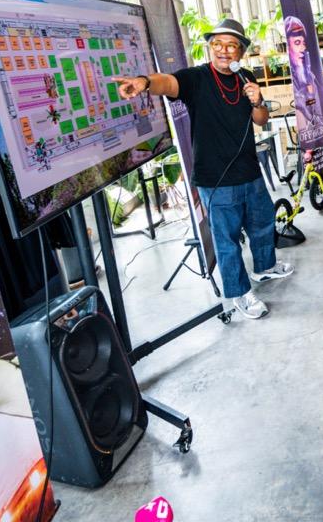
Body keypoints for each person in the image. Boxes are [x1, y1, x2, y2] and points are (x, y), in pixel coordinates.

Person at [114, 18, 293, 320]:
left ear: (240, 52)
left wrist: (258, 100)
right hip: (216, 179)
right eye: (217, 44)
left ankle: (265, 267)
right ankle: (238, 293)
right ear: (210, 48)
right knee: (227, 241)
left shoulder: (246, 77)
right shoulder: (196, 78)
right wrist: (145, 82)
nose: (223, 50)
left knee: (262, 223)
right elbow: (167, 82)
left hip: (249, 170)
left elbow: (261, 120)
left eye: (231, 45)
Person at [284, 15, 323, 140]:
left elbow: (320, 111)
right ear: (288, 48)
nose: (303, 48)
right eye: (297, 43)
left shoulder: (310, 76)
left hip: (321, 137)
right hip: (305, 138)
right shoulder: (290, 82)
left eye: (303, 43)